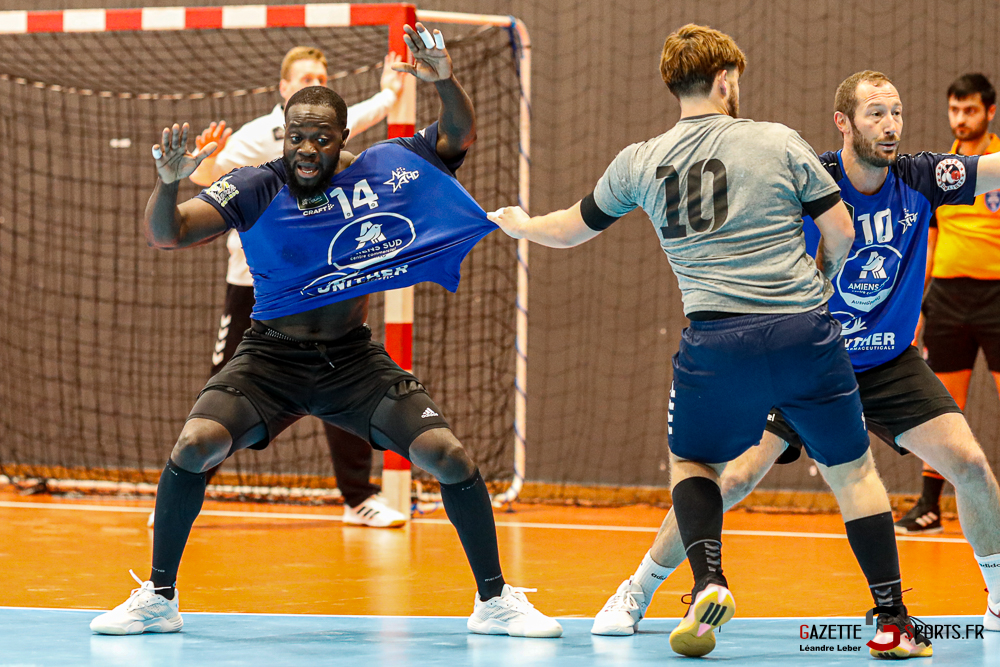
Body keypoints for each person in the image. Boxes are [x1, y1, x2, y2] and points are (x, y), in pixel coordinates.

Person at [90, 23, 562, 639]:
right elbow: (167, 232)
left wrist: (442, 80)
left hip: (351, 361)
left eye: (319, 138)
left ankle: (494, 601)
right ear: (282, 135)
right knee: (194, 446)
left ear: (342, 138)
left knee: (449, 458)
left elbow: (457, 134)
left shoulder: (379, 171)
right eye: (295, 137)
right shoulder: (257, 185)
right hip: (269, 358)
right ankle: (159, 596)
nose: (305, 149)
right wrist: (167, 182)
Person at [491, 26, 925, 659]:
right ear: (725, 80)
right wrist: (823, 278)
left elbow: (569, 230)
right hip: (806, 333)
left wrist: (521, 225)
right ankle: (894, 622)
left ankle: (708, 579)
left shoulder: (639, 160)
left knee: (696, 465)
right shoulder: (776, 139)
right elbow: (840, 230)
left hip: (717, 343)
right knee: (853, 472)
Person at [588, 70, 1000, 644]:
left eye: (897, 113)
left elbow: (993, 169)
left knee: (971, 467)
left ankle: (999, 601)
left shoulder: (923, 175)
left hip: (888, 364)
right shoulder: (809, 179)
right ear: (844, 123)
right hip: (808, 360)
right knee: (730, 480)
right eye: (876, 114)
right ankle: (636, 590)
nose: (890, 126)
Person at [181, 46, 408, 529]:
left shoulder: (325, 136)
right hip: (256, 286)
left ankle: (357, 497)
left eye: (323, 76)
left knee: (339, 374)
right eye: (306, 76)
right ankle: (187, 486)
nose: (316, 81)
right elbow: (208, 179)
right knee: (226, 383)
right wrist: (200, 164)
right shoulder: (256, 138)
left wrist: (390, 90)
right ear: (284, 89)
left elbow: (365, 114)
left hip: (322, 282)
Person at [896, 73, 1000, 535]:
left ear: (989, 112)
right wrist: (919, 307)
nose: (961, 119)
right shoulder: (942, 172)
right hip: (948, 300)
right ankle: (930, 507)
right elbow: (929, 244)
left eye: (970, 110)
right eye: (954, 110)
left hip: (997, 298)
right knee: (943, 405)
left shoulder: (996, 163)